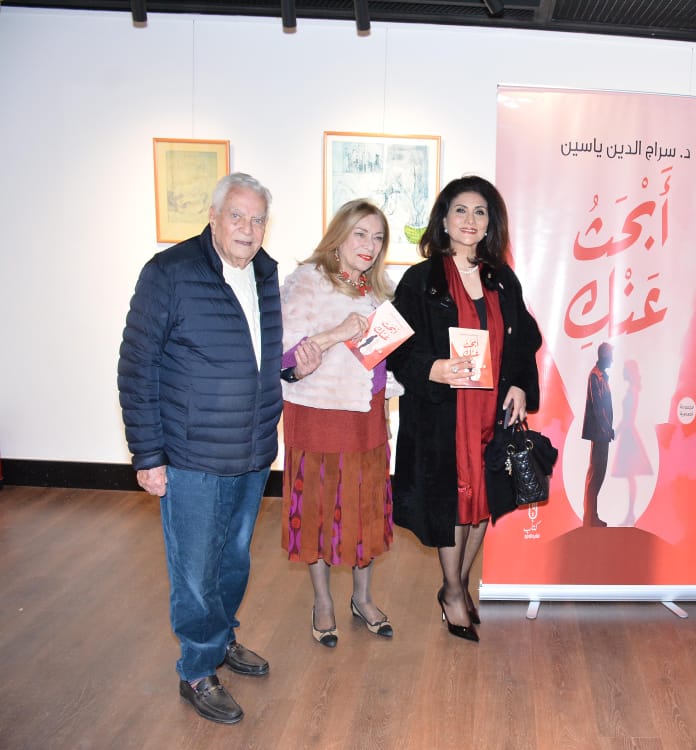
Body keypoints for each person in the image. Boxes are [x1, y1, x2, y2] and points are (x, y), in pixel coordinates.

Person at [118, 173, 282, 724]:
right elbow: (137, 368)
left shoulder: (265, 273)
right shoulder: (169, 272)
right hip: (191, 457)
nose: (247, 228)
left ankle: (221, 637)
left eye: (257, 219)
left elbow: (264, 357)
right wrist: (148, 455)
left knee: (233, 560)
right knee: (194, 569)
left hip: (252, 452)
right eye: (237, 216)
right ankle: (196, 668)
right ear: (213, 217)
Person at [388, 175, 542, 642]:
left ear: (490, 223)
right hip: (443, 415)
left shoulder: (502, 278)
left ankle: (458, 582)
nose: (470, 220)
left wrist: (521, 385)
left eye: (480, 212)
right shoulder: (422, 280)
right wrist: (432, 368)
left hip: (493, 411)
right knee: (453, 501)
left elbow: (526, 339)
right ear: (444, 220)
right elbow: (396, 349)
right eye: (460, 210)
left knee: (482, 502)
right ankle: (453, 591)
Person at [279, 199, 401, 649]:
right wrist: (337, 334)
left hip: (367, 418)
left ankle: (363, 598)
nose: (370, 245)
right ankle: (323, 602)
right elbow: (285, 358)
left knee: (366, 511)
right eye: (360, 234)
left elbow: (382, 359)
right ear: (339, 236)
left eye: (378, 237)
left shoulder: (379, 290)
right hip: (318, 416)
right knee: (315, 512)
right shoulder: (307, 281)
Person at [610, 359, 652, 526]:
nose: (623, 372)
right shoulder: (631, 390)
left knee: (631, 477)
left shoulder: (633, 391)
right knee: (630, 477)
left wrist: (616, 432)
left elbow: (628, 418)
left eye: (625, 369)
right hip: (627, 434)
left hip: (629, 436)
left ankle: (630, 515)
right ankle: (630, 514)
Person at [582, 342, 615, 527]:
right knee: (595, 475)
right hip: (599, 433)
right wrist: (606, 428)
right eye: (611, 355)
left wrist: (608, 428)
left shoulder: (600, 375)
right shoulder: (595, 375)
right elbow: (598, 406)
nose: (612, 359)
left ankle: (592, 516)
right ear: (604, 356)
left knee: (598, 474)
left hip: (602, 433)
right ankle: (589, 518)